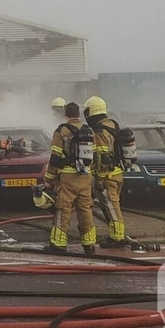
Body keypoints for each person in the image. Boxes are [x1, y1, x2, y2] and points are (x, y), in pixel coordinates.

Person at [43, 102, 97, 255]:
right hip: (85, 177)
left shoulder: (61, 131)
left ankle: (58, 244)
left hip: (67, 177)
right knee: (85, 209)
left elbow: (55, 157)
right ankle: (89, 244)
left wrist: (49, 177)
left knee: (63, 209)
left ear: (66, 114)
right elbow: (95, 156)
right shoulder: (89, 131)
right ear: (79, 114)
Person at [85, 95, 126, 248]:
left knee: (111, 206)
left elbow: (102, 156)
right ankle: (115, 233)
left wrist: (100, 179)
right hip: (117, 172)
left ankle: (117, 237)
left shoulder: (99, 130)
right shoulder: (113, 124)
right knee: (113, 205)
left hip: (107, 175)